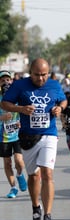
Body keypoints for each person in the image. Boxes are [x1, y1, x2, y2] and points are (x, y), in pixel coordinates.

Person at [1, 58, 67, 220]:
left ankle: (48, 215)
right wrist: (21, 109)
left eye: (44, 75)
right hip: (28, 137)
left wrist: (60, 108)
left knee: (47, 174)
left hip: (48, 134)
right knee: (34, 176)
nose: (41, 78)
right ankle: (36, 207)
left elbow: (63, 100)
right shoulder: (19, 85)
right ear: (31, 72)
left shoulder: (54, 85)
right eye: (37, 75)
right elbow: (5, 103)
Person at [0, 70, 27, 198]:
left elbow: (26, 110)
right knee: (7, 163)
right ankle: (13, 188)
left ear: (12, 81)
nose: (5, 82)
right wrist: (2, 118)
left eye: (7, 79)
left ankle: (20, 174)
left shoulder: (18, 95)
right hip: (3, 135)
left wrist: (22, 122)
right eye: (2, 80)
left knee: (19, 161)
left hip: (17, 134)